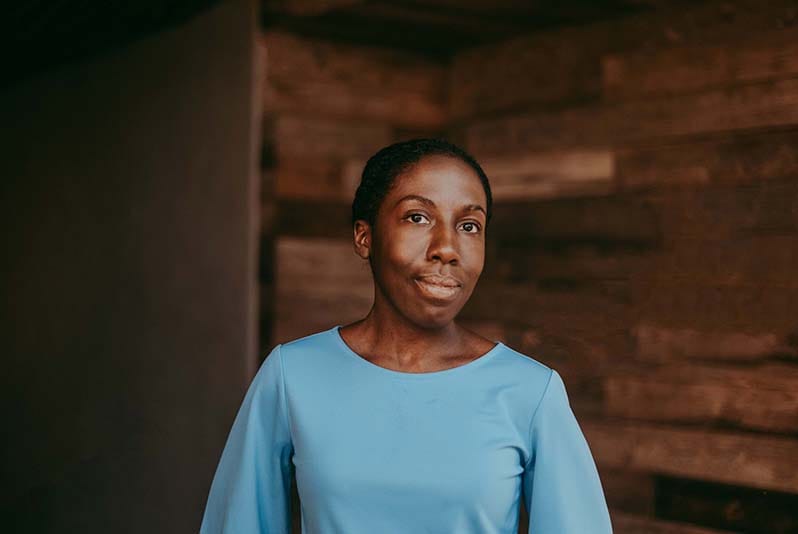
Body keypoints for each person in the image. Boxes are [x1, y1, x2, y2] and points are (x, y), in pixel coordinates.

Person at [199, 138, 613, 533]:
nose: (446, 247)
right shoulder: (292, 375)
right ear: (365, 237)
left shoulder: (530, 391)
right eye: (418, 217)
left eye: (469, 225)